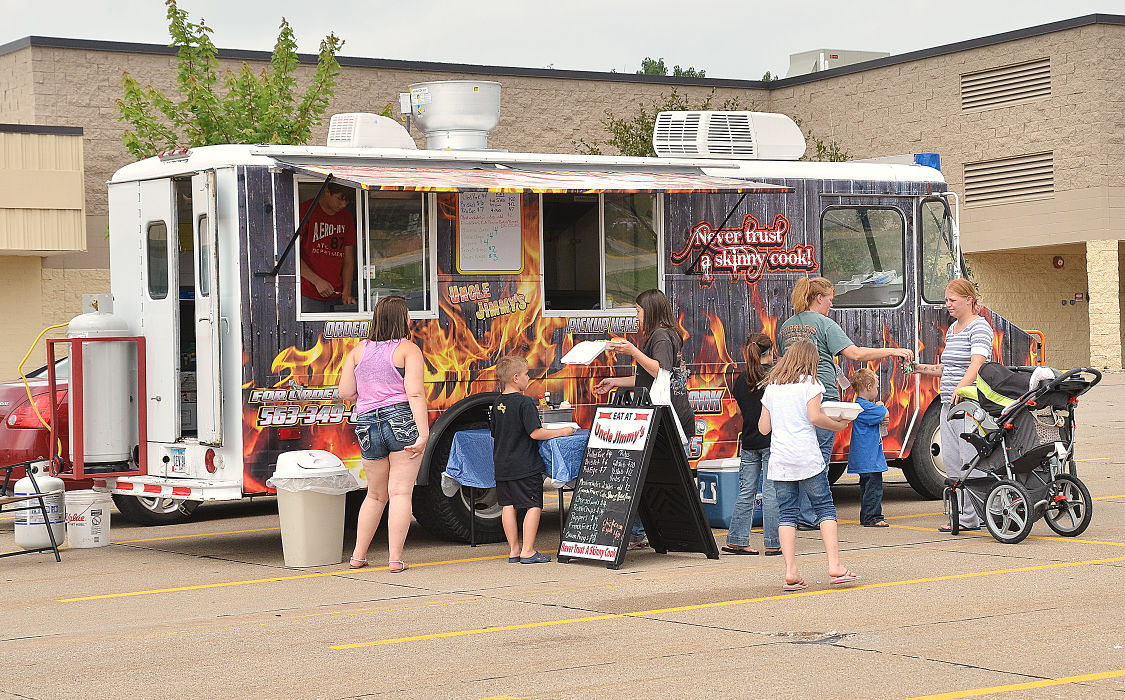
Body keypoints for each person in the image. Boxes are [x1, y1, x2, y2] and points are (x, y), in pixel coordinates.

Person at [776, 276, 913, 530]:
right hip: (822, 398)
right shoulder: (825, 324)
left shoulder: (785, 326)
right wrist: (892, 351)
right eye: (830, 299)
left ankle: (795, 515)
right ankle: (811, 515)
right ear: (819, 298)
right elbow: (855, 353)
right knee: (818, 459)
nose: (831, 304)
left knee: (798, 457)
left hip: (793, 399)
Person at [593, 288, 693, 550]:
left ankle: (673, 532)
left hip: (668, 419)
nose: (636, 316)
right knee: (649, 477)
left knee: (658, 479)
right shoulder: (667, 333)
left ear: (650, 311)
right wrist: (614, 382)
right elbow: (646, 379)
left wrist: (633, 351)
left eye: (638, 311)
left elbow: (660, 371)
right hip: (672, 416)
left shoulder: (660, 336)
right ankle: (642, 532)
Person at [758, 341, 860, 591]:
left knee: (787, 513)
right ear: (811, 362)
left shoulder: (772, 387)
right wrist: (838, 425)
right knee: (824, 507)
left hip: (780, 459)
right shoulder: (811, 384)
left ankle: (791, 571)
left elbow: (763, 428)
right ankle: (835, 566)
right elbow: (815, 417)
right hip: (806, 457)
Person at [338, 296, 428, 572]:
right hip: (400, 419)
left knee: (375, 495)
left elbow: (345, 392)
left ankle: (358, 556)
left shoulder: (358, 350)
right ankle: (395, 559)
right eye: (408, 314)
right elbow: (415, 393)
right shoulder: (408, 350)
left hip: (367, 422)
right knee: (400, 492)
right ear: (402, 319)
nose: (411, 319)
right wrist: (423, 433)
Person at [908, 279, 992, 532]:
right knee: (953, 462)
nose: (948, 305)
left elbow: (978, 362)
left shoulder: (979, 327)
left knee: (970, 459)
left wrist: (961, 388)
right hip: (948, 405)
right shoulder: (953, 329)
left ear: (968, 300)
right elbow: (948, 368)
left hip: (969, 405)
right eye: (946, 300)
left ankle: (975, 515)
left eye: (952, 300)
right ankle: (964, 515)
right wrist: (920, 369)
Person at [491, 355, 576, 564]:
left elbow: (494, 434)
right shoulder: (525, 402)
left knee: (508, 505)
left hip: (502, 464)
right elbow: (535, 433)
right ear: (516, 377)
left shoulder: (497, 403)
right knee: (533, 504)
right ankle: (528, 551)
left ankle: (514, 550)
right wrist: (563, 431)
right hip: (525, 464)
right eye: (527, 374)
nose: (529, 378)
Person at [723, 333, 780, 556]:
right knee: (771, 492)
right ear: (770, 351)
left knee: (746, 492)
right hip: (771, 440)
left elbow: (740, 411)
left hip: (748, 441)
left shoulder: (741, 379)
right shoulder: (775, 377)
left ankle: (737, 539)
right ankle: (773, 542)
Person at [300, 183, 357, 313]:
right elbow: (292, 255)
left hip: (337, 294)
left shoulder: (346, 217)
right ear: (327, 191)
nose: (343, 205)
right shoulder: (305, 210)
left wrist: (347, 290)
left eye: (347, 201)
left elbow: (348, 259)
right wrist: (317, 281)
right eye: (340, 199)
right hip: (308, 292)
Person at [847, 368, 890, 528]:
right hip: (870, 457)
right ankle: (873, 517)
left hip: (865, 457)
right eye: (877, 387)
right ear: (869, 386)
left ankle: (866, 515)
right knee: (874, 489)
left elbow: (882, 418)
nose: (877, 391)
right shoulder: (865, 406)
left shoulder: (860, 406)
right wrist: (881, 405)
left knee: (867, 488)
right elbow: (884, 413)